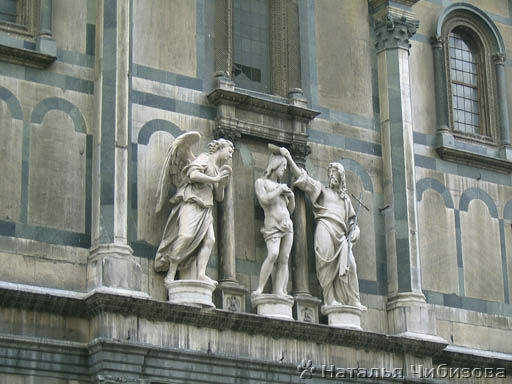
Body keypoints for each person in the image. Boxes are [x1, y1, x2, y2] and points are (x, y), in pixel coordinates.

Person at [280, 148, 364, 309]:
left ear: (341, 177)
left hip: (341, 236)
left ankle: (352, 299)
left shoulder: (345, 200)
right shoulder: (322, 192)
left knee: (350, 265)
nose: (331, 176)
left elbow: (352, 222)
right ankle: (330, 299)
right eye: (330, 173)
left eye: (334, 173)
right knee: (325, 265)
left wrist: (356, 231)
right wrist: (290, 159)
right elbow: (304, 179)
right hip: (325, 229)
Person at [154, 133, 233, 285]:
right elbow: (193, 174)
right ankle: (170, 272)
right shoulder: (204, 158)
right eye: (229, 151)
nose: (230, 156)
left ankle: (201, 273)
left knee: (210, 240)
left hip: (206, 207)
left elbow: (219, 197)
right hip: (191, 201)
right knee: (186, 236)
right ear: (220, 148)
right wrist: (214, 179)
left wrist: (221, 183)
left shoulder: (217, 168)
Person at [253, 153, 295, 297]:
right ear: (275, 165)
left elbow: (291, 209)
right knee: (273, 254)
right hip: (272, 225)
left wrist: (291, 197)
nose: (284, 169)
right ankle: (260, 288)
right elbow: (264, 199)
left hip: (287, 226)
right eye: (282, 166)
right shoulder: (261, 182)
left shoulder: (281, 186)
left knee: (284, 258)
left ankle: (279, 291)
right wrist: (280, 190)